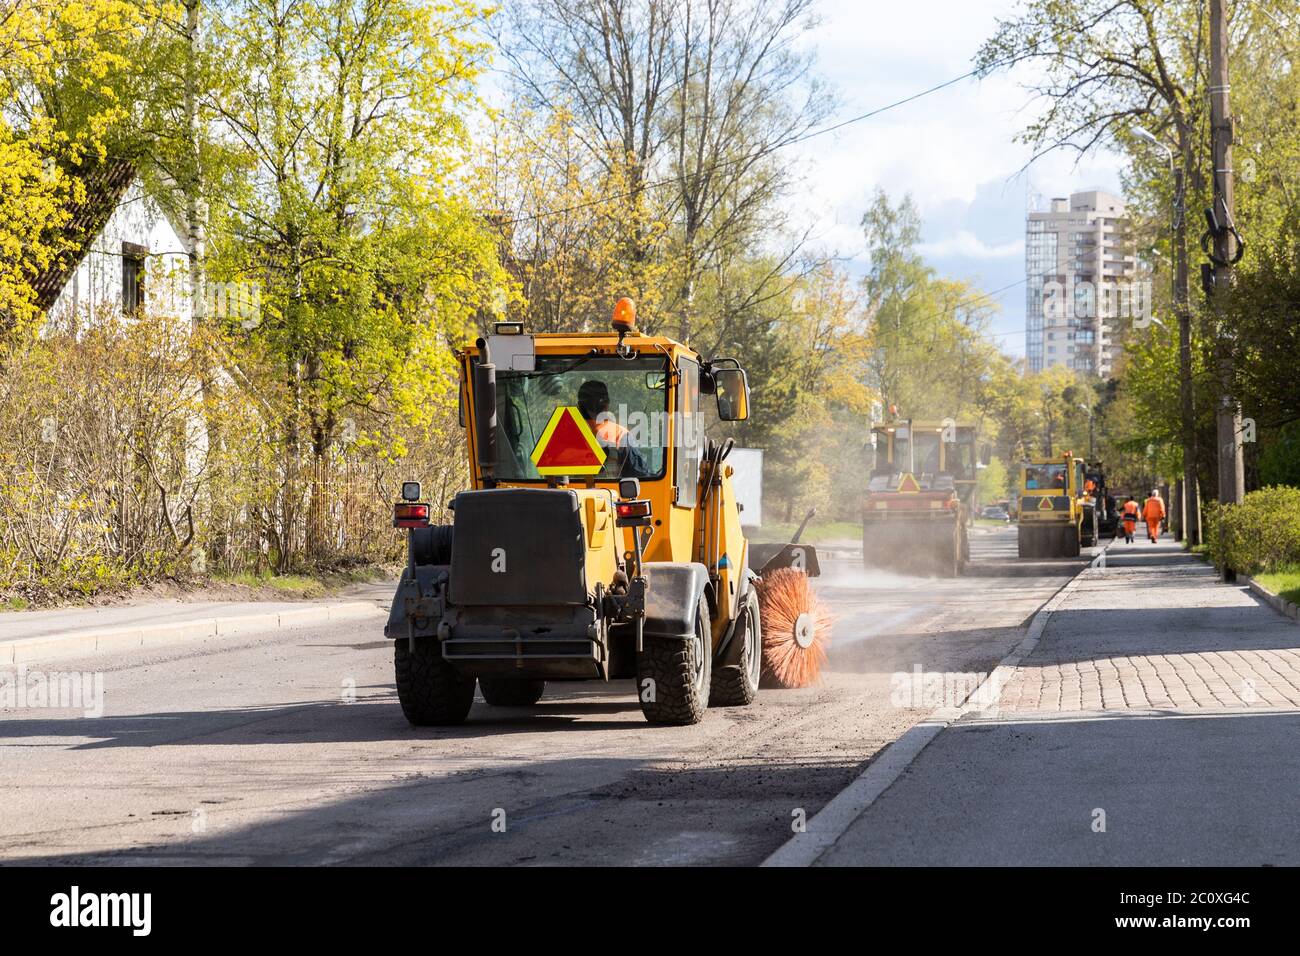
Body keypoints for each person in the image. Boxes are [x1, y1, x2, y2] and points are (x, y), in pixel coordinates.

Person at [577, 379, 648, 478]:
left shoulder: (566, 435)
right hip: (612, 492)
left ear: (579, 407)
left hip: (565, 493)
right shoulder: (619, 434)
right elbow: (640, 475)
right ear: (606, 406)